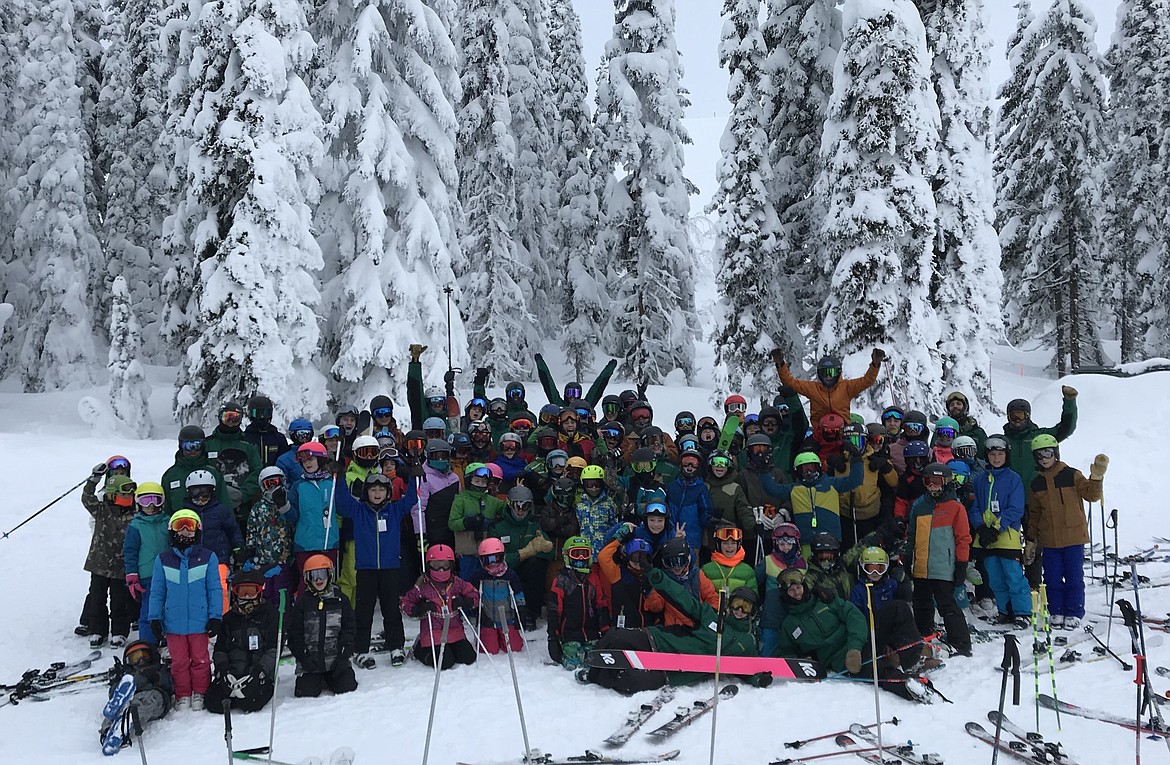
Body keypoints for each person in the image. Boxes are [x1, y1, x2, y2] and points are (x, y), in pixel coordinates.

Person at [334, 471, 420, 669]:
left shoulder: (395, 510)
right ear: (367, 492)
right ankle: (360, 649)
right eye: (373, 489)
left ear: (388, 492)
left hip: (390, 567)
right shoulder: (359, 510)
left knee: (391, 609)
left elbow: (412, 500)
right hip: (366, 569)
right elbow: (342, 501)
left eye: (381, 489)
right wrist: (338, 477)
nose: (377, 493)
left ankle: (396, 645)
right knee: (364, 610)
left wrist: (413, 476)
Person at [1026, 436, 1107, 630]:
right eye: (1039, 455)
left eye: (1048, 453)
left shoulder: (1071, 475)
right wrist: (1031, 540)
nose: (1044, 458)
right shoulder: (1036, 483)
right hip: (1050, 540)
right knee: (1052, 578)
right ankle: (1057, 611)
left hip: (1073, 537)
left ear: (1055, 453)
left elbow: (1092, 495)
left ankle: (1074, 611)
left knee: (1074, 576)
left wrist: (1096, 477)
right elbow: (1035, 515)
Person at [148, 510, 224, 711]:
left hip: (199, 621)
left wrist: (216, 616)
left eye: (189, 527)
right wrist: (155, 617)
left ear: (197, 530)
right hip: (174, 623)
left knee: (200, 659)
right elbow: (157, 592)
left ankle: (201, 691)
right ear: (171, 531)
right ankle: (182, 693)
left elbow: (215, 589)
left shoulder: (208, 558)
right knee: (179, 661)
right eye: (180, 526)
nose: (184, 531)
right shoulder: (163, 560)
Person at [905, 462, 972, 656]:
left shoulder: (955, 508)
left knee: (946, 604)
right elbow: (912, 534)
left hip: (944, 567)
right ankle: (924, 635)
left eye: (936, 482)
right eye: (928, 482)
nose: (932, 486)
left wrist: (961, 564)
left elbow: (963, 538)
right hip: (921, 566)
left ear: (946, 482)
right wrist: (909, 557)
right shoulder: (919, 505)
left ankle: (961, 642)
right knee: (921, 602)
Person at [848, 547, 931, 701]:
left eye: (879, 569)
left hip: (888, 632)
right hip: (868, 633)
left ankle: (913, 658)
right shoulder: (858, 590)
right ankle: (904, 683)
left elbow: (901, 615)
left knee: (901, 607)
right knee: (875, 667)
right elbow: (856, 619)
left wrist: (904, 583)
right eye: (870, 568)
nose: (874, 573)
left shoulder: (891, 585)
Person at [969, 435, 1030, 626]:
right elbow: (975, 507)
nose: (996, 458)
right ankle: (1004, 610)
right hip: (985, 537)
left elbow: (1016, 508)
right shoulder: (980, 479)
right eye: (992, 454)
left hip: (1007, 535)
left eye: (1000, 454)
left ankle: (1022, 612)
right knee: (994, 578)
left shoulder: (1014, 478)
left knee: (1013, 576)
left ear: (1006, 455)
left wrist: (996, 527)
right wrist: (980, 526)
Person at [759, 450, 864, 559]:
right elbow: (771, 488)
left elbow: (855, 481)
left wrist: (856, 459)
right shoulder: (794, 489)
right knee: (809, 570)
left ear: (818, 468)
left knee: (831, 569)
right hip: (806, 541)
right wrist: (764, 470)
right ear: (797, 472)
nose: (809, 472)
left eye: (811, 468)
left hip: (831, 540)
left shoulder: (831, 483)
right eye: (804, 469)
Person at [770, 567, 867, 676]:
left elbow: (853, 615)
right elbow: (785, 651)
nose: (797, 593)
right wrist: (802, 661)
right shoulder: (789, 624)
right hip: (839, 661)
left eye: (798, 587)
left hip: (856, 646)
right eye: (791, 591)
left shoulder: (824, 600)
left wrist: (855, 646)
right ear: (785, 594)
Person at [205, 571, 278, 714]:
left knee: (250, 703)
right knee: (213, 703)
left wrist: (259, 672)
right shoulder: (229, 619)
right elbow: (220, 650)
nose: (246, 596)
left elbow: (273, 649)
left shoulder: (269, 615)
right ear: (235, 593)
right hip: (233, 673)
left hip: (257, 673)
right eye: (242, 592)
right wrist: (224, 670)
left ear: (259, 592)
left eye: (251, 592)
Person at [286, 555, 357, 697]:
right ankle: (315, 678)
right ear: (307, 578)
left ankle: (332, 675)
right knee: (305, 692)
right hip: (310, 663)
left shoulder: (340, 599)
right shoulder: (302, 603)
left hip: (336, 660)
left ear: (329, 575)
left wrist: (343, 656)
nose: (318, 580)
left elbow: (349, 629)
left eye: (322, 574)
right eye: (314, 575)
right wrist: (303, 658)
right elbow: (295, 634)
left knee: (347, 686)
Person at [400, 544, 480, 669]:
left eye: (445, 565)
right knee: (445, 662)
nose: (441, 570)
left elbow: (475, 594)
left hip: (454, 629)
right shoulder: (423, 585)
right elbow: (405, 603)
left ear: (451, 565)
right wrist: (419, 609)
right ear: (429, 565)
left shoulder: (456, 582)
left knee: (469, 657)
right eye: (436, 566)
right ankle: (419, 649)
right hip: (433, 632)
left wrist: (465, 602)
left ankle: (451, 648)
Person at [81, 470, 137, 648]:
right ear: (112, 494)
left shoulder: (135, 513)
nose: (128, 497)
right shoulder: (101, 510)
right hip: (99, 563)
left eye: (130, 493)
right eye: (123, 493)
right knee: (97, 599)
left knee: (119, 600)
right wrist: (94, 479)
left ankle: (119, 631)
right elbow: (86, 498)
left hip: (121, 566)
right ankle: (98, 630)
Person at [183, 469, 244, 613]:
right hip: (193, 559)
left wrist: (238, 548)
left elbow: (232, 530)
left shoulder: (220, 510)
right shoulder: (186, 513)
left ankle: (221, 617)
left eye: (205, 492)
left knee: (219, 588)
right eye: (195, 492)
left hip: (218, 558)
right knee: (196, 589)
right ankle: (199, 618)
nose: (200, 497)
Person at [770, 347, 885, 424]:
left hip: (842, 432)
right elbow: (791, 383)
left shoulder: (846, 387)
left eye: (832, 373)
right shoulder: (813, 388)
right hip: (820, 433)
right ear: (819, 374)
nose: (828, 377)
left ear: (838, 373)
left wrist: (875, 364)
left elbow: (867, 381)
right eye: (824, 373)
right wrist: (780, 364)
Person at [493, 485, 554, 626]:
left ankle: (530, 613)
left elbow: (548, 552)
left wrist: (546, 547)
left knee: (536, 564)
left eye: (525, 506)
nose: (520, 510)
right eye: (517, 505)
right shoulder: (498, 526)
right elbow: (494, 559)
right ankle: (508, 611)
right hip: (506, 570)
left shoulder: (533, 525)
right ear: (510, 505)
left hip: (528, 574)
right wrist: (521, 555)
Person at [98, 640, 174, 752]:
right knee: (120, 705)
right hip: (131, 697)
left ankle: (126, 724)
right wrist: (118, 680)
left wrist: (147, 677)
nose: (141, 660)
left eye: (144, 655)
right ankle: (108, 730)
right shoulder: (127, 675)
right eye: (135, 657)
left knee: (141, 704)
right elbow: (112, 695)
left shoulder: (159, 669)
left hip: (157, 697)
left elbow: (167, 684)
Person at [547, 536, 611, 670]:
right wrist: (553, 637)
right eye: (576, 554)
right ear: (567, 556)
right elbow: (554, 609)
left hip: (591, 632)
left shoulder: (593, 578)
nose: (581, 558)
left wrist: (605, 630)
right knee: (574, 663)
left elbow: (601, 605)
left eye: (584, 554)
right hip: (570, 633)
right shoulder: (561, 580)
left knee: (596, 661)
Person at [123, 482, 170, 645]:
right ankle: (148, 644)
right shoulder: (135, 526)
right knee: (149, 611)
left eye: (155, 500)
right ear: (138, 503)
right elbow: (130, 551)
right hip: (147, 576)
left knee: (168, 609)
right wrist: (132, 575)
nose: (150, 505)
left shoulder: (168, 522)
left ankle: (167, 640)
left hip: (168, 574)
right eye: (145, 501)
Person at [467, 538, 527, 652]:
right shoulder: (478, 575)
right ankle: (488, 636)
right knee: (489, 650)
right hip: (488, 618)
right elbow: (470, 594)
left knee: (514, 648)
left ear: (502, 557)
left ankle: (502, 636)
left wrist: (521, 609)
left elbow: (518, 593)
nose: (492, 563)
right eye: (487, 560)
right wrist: (477, 611)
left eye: (496, 558)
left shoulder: (510, 574)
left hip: (507, 617)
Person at [244, 467, 296, 600]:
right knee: (266, 595)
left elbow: (295, 524)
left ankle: (283, 620)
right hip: (263, 561)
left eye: (276, 482)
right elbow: (252, 530)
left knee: (282, 595)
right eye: (269, 484)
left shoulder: (288, 505)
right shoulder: (258, 508)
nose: (273, 487)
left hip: (284, 560)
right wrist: (250, 549)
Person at [756, 523, 806, 655]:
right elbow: (754, 582)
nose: (786, 548)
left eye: (789, 544)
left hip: (795, 615)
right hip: (772, 618)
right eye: (781, 544)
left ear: (796, 544)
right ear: (776, 544)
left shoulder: (802, 565)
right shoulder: (768, 561)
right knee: (767, 650)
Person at [449, 463, 507, 578]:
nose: (480, 485)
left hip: (487, 550)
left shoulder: (491, 501)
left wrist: (514, 498)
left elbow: (506, 510)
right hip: (466, 550)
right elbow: (452, 523)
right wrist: (467, 522)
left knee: (485, 577)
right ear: (469, 480)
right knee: (467, 578)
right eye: (477, 481)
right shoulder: (461, 500)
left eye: (483, 482)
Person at [161, 426, 232, 514]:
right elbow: (166, 510)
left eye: (197, 445)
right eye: (188, 446)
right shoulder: (171, 475)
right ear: (180, 445)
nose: (193, 451)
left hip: (210, 524)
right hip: (181, 525)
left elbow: (225, 505)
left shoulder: (213, 473)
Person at [665, 449, 714, 557]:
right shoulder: (672, 486)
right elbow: (666, 510)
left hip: (692, 539)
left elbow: (705, 511)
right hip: (671, 536)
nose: (690, 466)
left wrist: (710, 520)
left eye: (694, 463)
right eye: (686, 462)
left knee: (692, 566)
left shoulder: (701, 488)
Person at [575, 465, 620, 558]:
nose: (594, 488)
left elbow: (614, 525)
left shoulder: (609, 503)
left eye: (597, 484)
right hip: (584, 552)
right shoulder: (578, 504)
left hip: (604, 551)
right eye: (590, 484)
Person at [701, 523, 757, 595]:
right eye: (725, 543)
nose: (729, 546)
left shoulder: (748, 571)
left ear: (738, 545)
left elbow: (752, 598)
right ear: (718, 545)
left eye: (733, 543)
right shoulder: (706, 570)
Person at [242, 394, 289, 468]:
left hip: (273, 477)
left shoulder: (278, 438)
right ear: (251, 414)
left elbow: (285, 463)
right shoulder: (244, 438)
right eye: (257, 413)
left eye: (265, 413)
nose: (262, 417)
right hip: (251, 478)